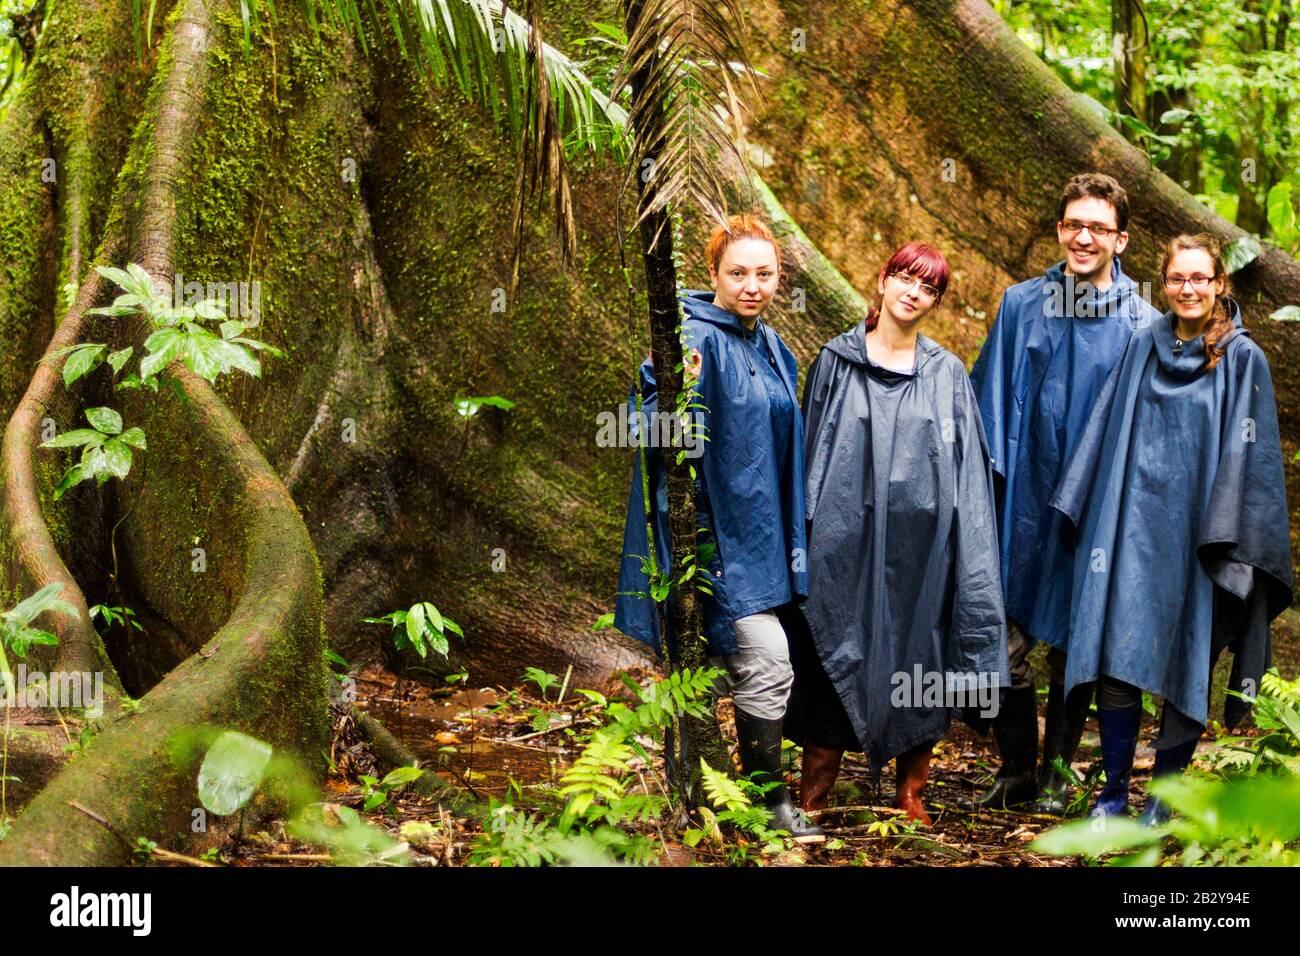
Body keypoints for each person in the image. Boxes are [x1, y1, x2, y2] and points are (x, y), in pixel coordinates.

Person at [1050, 233, 1293, 823]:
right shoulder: (1142, 343)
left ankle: (1161, 802)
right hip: (1131, 534)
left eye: (1200, 279)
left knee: (1186, 660)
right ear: (1165, 284)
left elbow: (1252, 465)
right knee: (1116, 658)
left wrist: (1236, 543)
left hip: (1203, 540)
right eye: (1178, 279)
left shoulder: (1243, 357)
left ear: (1218, 284)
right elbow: (1107, 435)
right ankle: (1111, 794)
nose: (1189, 289)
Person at [613, 213, 823, 841]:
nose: (752, 285)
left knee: (770, 661)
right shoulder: (687, 338)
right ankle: (766, 799)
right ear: (714, 274)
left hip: (765, 539)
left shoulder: (772, 344)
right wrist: (678, 394)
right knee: (768, 657)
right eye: (738, 273)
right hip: (714, 540)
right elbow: (639, 427)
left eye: (765, 273)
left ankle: (727, 791)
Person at [784, 241, 1008, 826]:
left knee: (920, 660)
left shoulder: (947, 374)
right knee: (838, 647)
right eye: (906, 278)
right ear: (882, 281)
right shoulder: (835, 361)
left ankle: (911, 795)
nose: (914, 292)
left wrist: (962, 548)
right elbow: (812, 454)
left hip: (922, 555)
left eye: (929, 287)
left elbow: (965, 474)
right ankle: (815, 797)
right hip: (844, 548)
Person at [965, 173, 1161, 814]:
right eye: (1073, 224)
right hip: (1023, 501)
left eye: (1098, 228)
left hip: (1095, 511)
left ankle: (1056, 774)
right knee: (1002, 643)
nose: (1083, 237)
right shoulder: (1022, 303)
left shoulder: (1144, 323)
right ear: (1059, 230)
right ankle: (1017, 767)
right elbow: (987, 397)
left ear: (1121, 240)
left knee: (1078, 645)